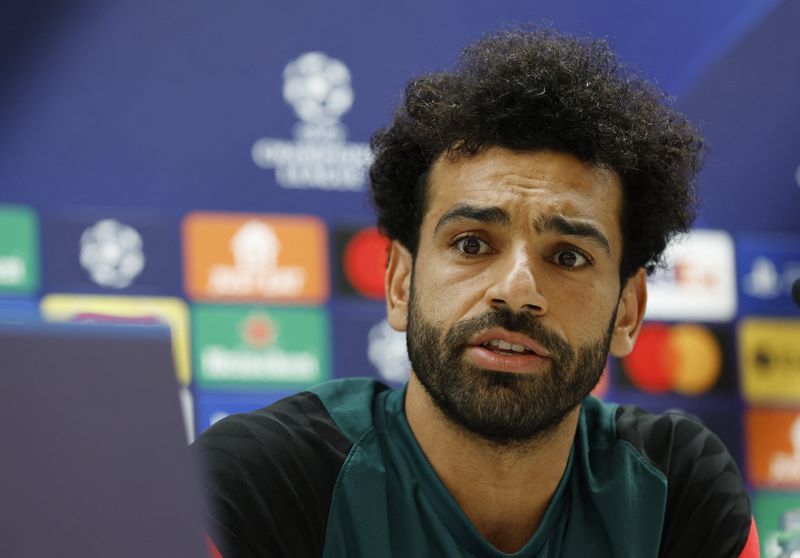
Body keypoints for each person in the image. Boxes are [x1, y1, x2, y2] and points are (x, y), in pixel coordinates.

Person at [192, 28, 760, 558]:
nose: (516, 292)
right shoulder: (260, 479)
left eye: (568, 256)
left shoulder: (675, 489)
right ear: (399, 282)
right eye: (471, 244)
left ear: (628, 312)